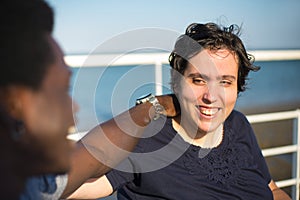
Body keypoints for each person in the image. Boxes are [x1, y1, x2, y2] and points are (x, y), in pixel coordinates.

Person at [67, 23, 291, 199]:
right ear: (176, 82)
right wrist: (149, 108)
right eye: (198, 80)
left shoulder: (238, 124)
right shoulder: (148, 140)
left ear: (237, 87)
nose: (211, 97)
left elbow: (270, 189)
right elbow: (60, 185)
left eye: (225, 82)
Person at [0, 0, 178, 199]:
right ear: (13, 104)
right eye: (62, 90)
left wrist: (153, 106)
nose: (74, 108)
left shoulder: (33, 184)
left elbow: (97, 151)